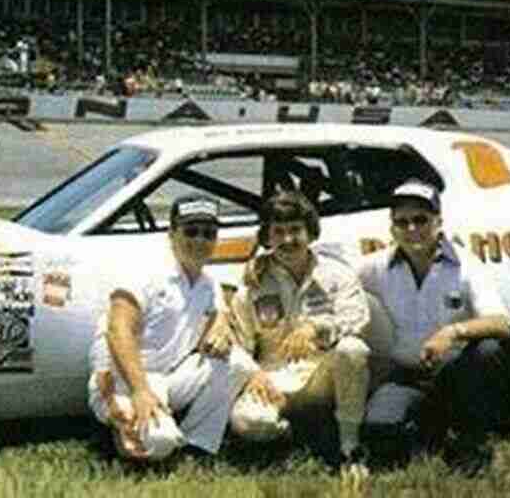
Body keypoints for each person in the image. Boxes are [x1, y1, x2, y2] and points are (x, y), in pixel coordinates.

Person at [356, 180, 510, 476]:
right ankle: (431, 426)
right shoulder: (375, 266)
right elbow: (334, 282)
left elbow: (501, 323)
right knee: (380, 428)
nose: (412, 229)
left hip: (452, 375)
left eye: (420, 220)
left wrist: (452, 332)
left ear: (439, 222)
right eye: (402, 222)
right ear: (392, 229)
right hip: (403, 376)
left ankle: (472, 441)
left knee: (489, 350)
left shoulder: (466, 266)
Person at [87, 195, 252, 461]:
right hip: (123, 381)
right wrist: (140, 391)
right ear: (171, 234)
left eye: (209, 233)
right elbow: (117, 331)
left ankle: (196, 445)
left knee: (236, 364)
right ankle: (121, 425)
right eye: (191, 231)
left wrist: (221, 324)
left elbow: (220, 314)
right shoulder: (145, 273)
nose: (200, 240)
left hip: (169, 379)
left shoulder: (208, 284)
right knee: (157, 444)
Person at [225, 190, 372, 479]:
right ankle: (299, 432)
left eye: (296, 230)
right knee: (247, 424)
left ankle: (350, 447)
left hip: (324, 377)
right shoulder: (253, 283)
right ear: (267, 237)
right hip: (275, 378)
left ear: (311, 232)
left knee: (353, 349)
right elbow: (238, 342)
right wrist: (253, 375)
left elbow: (358, 319)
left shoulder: (336, 274)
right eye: (278, 232)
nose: (288, 240)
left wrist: (317, 328)